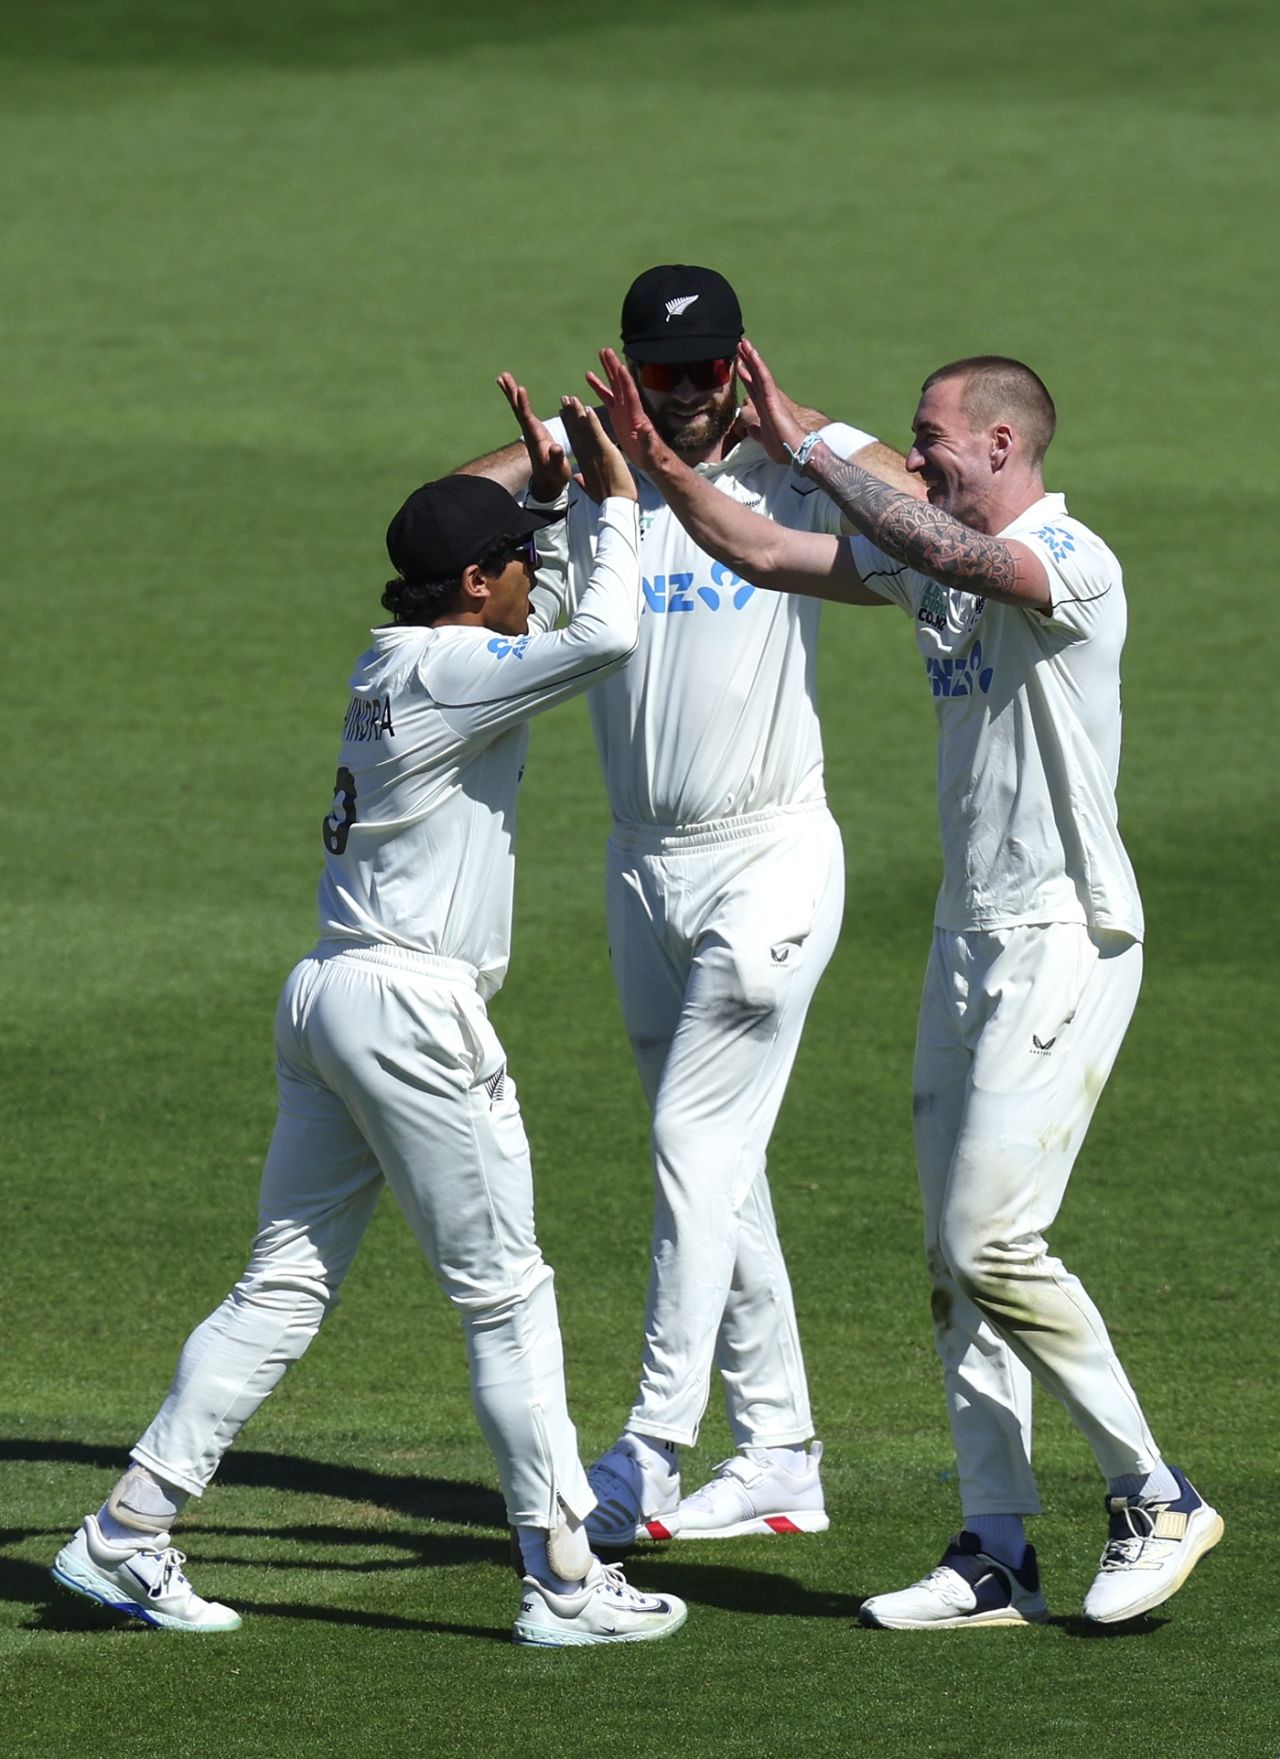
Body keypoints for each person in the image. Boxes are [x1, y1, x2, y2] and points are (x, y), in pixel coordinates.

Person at [587, 340, 1223, 1626]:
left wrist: (806, 436)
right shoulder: (926, 553)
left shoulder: (1071, 557)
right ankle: (995, 1547)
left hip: (1066, 928)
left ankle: (1153, 1491)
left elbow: (950, 555)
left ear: (1001, 443)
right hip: (966, 933)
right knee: (950, 1255)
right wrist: (666, 470)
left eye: (930, 437)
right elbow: (768, 555)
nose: (913, 454)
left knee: (995, 1239)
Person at [50, 398, 689, 1649]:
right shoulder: (458, 669)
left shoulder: (398, 657)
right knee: (506, 1294)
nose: (528, 574)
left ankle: (126, 1530)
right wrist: (613, 495)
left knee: (281, 1284)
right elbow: (605, 635)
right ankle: (562, 1578)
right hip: (410, 1012)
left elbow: (541, 611)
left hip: (330, 992)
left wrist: (548, 499)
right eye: (514, 557)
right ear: (472, 580)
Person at [462, 266, 917, 1548]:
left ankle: (649, 1450)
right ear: (624, 368)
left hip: (769, 854)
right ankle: (776, 1447)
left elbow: (928, 505)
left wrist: (799, 424)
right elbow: (438, 514)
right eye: (658, 373)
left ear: (738, 365)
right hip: (637, 864)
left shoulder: (785, 475)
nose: (683, 394)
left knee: (687, 1150)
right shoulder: (593, 487)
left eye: (705, 372)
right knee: (722, 1168)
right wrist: (560, 443)